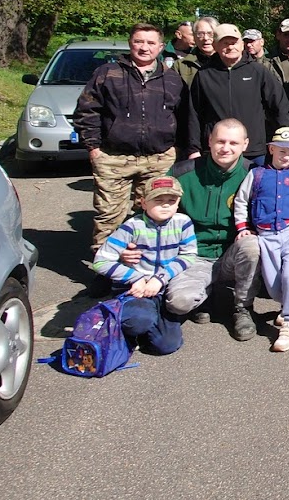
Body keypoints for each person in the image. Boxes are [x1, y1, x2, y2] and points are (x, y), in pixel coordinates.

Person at [74, 23, 185, 260]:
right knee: (109, 216)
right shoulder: (108, 73)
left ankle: (143, 263)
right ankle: (105, 266)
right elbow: (87, 111)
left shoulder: (172, 79)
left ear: (160, 47)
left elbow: (183, 116)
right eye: (139, 42)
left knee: (151, 215)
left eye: (151, 43)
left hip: (158, 159)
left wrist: (176, 147)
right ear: (130, 43)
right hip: (114, 157)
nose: (144, 48)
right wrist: (93, 147)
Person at [164, 120, 264, 341]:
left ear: (245, 145)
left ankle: (242, 307)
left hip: (232, 254)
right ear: (209, 141)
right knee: (178, 303)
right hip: (194, 255)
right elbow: (152, 211)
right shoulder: (181, 173)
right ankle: (204, 296)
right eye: (220, 141)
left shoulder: (255, 175)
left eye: (233, 143)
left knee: (252, 244)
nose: (225, 148)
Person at [233, 126, 289, 353]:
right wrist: (242, 226)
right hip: (266, 236)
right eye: (282, 152)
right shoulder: (257, 175)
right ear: (271, 149)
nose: (287, 157)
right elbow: (241, 201)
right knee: (273, 286)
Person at [91, 175, 196, 355]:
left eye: (171, 200)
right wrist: (136, 278)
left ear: (178, 203)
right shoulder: (131, 226)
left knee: (167, 345)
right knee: (139, 319)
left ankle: (147, 329)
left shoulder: (183, 223)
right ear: (143, 202)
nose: (165, 205)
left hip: (163, 288)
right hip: (135, 290)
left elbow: (188, 255)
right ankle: (126, 325)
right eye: (158, 200)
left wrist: (160, 279)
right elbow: (101, 261)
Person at [186, 24, 289, 161]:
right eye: (225, 43)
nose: (230, 47)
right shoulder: (204, 75)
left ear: (241, 45)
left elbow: (280, 107)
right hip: (217, 151)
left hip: (254, 151)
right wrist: (194, 148)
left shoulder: (258, 71)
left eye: (234, 43)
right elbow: (194, 113)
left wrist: (283, 143)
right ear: (216, 46)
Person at [174, 16, 219, 88]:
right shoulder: (180, 66)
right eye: (200, 34)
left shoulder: (229, 61)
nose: (205, 38)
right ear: (194, 37)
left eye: (210, 34)